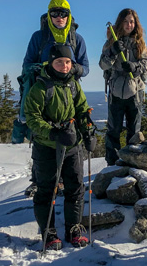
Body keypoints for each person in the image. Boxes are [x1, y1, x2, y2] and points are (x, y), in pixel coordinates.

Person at [24, 45, 97, 250]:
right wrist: (53, 133)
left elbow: (82, 110)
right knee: (47, 190)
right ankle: (49, 232)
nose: (64, 66)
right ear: (51, 63)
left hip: (72, 143)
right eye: (59, 62)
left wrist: (89, 132)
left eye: (67, 62)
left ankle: (74, 228)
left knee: (75, 187)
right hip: (47, 146)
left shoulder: (73, 85)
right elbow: (32, 118)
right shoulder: (41, 88)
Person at [12, 0, 90, 144]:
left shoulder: (76, 39)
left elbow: (85, 68)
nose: (59, 17)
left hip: (68, 90)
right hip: (42, 90)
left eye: (63, 13)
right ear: (49, 15)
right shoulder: (39, 37)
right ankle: (22, 142)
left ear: (69, 15)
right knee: (31, 120)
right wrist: (45, 68)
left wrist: (72, 69)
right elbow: (27, 65)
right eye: (54, 13)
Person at [98, 8, 147, 165]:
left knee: (134, 129)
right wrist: (113, 52)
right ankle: (112, 163)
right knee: (113, 130)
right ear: (120, 22)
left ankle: (132, 161)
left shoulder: (139, 43)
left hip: (135, 90)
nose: (129, 24)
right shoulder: (111, 43)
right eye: (126, 21)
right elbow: (103, 65)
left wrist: (135, 67)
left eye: (132, 21)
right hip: (116, 90)